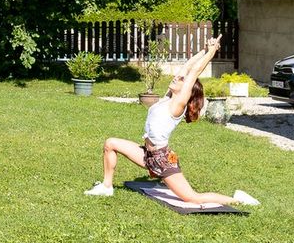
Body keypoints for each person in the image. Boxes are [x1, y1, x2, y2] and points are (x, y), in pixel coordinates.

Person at [84, 34, 259, 207]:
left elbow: (195, 71)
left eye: (181, 80)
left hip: (162, 159)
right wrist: (204, 49)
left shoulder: (178, 104)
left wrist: (212, 52)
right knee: (110, 143)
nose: (176, 78)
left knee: (192, 198)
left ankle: (239, 199)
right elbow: (188, 66)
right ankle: (107, 187)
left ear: (187, 90)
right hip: (147, 155)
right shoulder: (167, 98)